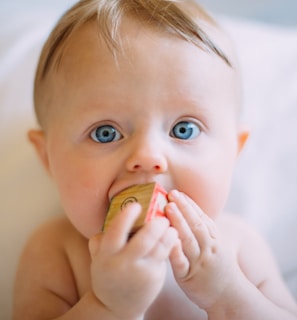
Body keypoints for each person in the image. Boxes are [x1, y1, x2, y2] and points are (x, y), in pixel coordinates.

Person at [12, 0, 297, 319]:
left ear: (234, 152)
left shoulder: (239, 247)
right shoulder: (55, 252)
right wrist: (108, 306)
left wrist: (227, 294)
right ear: (48, 158)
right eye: (105, 132)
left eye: (184, 129)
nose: (148, 157)